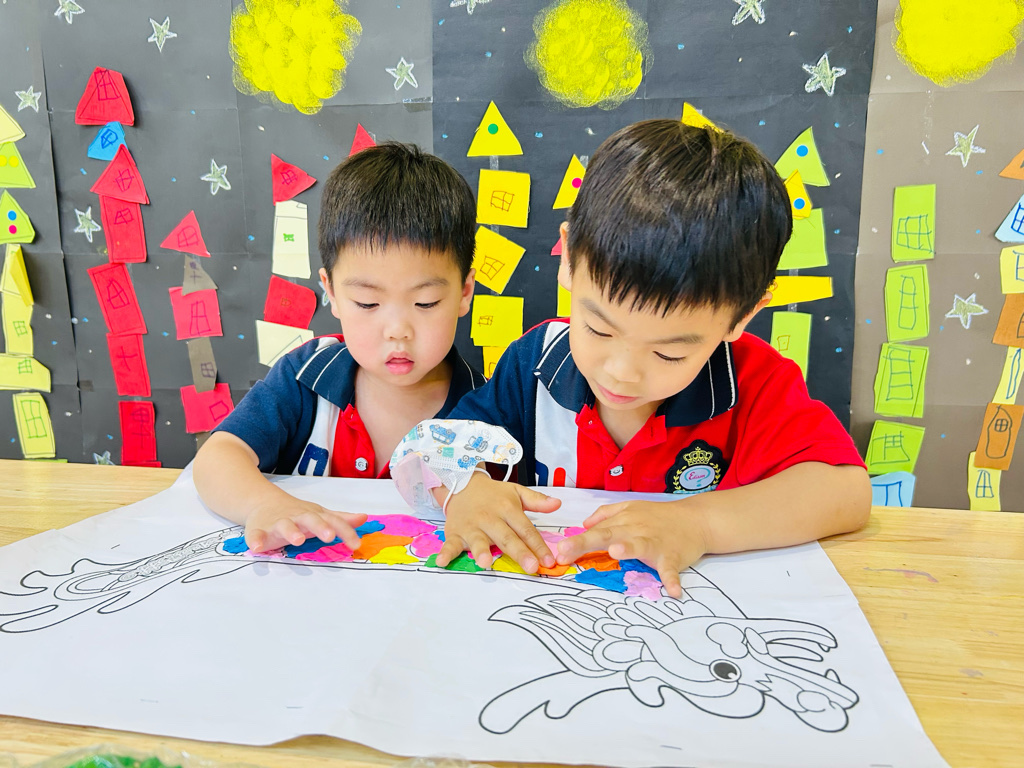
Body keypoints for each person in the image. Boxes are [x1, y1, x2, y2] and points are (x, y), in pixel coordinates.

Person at [420, 120, 870, 598]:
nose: (621, 373)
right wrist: (465, 487)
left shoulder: (753, 381)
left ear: (742, 316)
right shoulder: (534, 363)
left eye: (669, 353)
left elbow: (846, 493)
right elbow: (434, 447)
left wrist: (700, 525)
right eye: (598, 329)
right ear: (568, 259)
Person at [194, 142, 483, 554]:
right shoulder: (305, 376)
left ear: (465, 292)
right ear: (330, 291)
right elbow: (218, 457)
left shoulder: (485, 409)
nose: (397, 331)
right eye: (367, 303)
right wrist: (264, 505)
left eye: (425, 303)